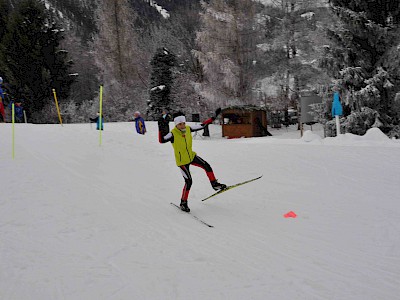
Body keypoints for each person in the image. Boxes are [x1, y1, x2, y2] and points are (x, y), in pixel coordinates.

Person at [159, 112, 226, 212]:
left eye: (183, 123)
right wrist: (161, 127)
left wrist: (212, 118)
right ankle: (183, 202)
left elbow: (202, 125)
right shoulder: (173, 133)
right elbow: (162, 140)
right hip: (182, 162)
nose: (182, 126)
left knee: (206, 166)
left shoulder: (188, 129)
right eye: (180, 124)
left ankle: (215, 184)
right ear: (176, 124)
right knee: (189, 181)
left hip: (191, 156)